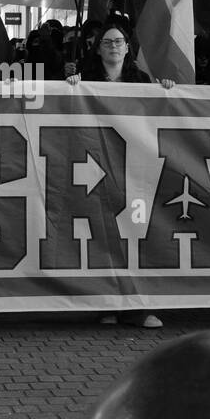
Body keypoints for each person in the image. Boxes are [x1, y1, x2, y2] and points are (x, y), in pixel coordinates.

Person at [66, 19, 173, 330]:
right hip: (97, 168)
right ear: (98, 49)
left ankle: (138, 309)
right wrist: (69, 87)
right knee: (104, 239)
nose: (114, 46)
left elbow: (156, 117)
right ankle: (106, 307)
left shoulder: (141, 80)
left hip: (134, 170)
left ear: (128, 48)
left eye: (119, 42)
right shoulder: (83, 81)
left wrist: (164, 91)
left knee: (136, 237)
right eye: (107, 42)